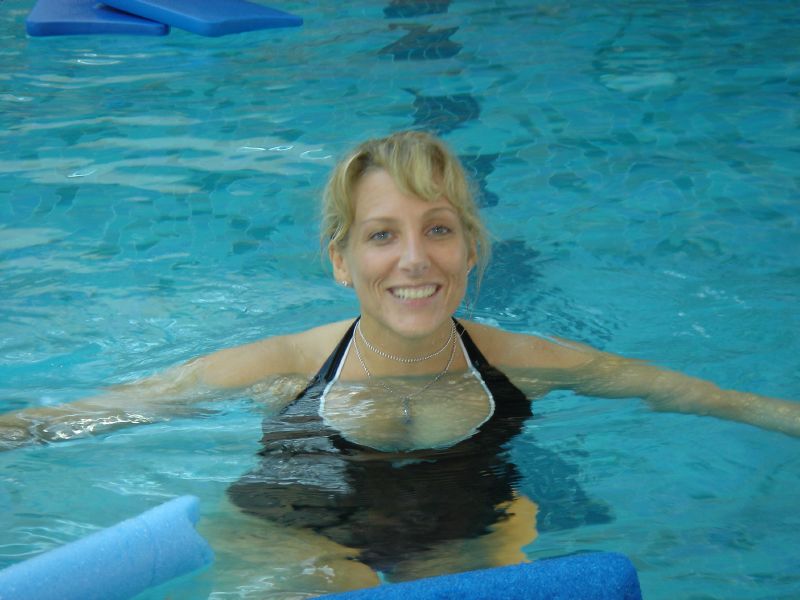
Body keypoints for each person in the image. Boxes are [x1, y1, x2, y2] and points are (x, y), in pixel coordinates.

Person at [1, 131, 798, 593]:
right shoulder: (284, 364)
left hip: (466, 535)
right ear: (341, 260)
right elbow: (97, 414)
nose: (414, 259)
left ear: (471, 248)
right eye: (382, 235)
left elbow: (698, 395)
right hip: (298, 538)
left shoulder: (525, 362)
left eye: (438, 230)